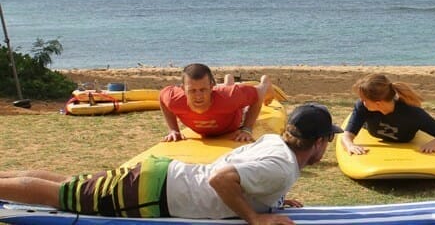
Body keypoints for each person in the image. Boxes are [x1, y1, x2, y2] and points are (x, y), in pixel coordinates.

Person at [0, 103, 343, 224]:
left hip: (164, 176)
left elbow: (233, 164)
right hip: (155, 192)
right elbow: (221, 178)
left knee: (70, 183)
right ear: (319, 142)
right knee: (61, 195)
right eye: (329, 139)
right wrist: (253, 218)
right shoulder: (281, 167)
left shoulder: (273, 144)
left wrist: (271, 200)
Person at [340, 73, 435, 154]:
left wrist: (432, 145)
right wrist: (350, 145)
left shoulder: (412, 113)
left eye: (364, 100)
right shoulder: (362, 107)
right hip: (367, 128)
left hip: (406, 137)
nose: (362, 102)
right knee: (359, 117)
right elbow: (347, 135)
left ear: (378, 103)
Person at [159, 63, 271, 142]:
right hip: (224, 99)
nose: (198, 96)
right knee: (227, 94)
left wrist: (247, 129)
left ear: (212, 86)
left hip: (233, 118)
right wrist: (173, 130)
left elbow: (259, 94)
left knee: (256, 89)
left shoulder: (230, 97)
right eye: (192, 91)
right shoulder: (173, 99)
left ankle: (265, 82)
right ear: (183, 89)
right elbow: (162, 99)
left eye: (203, 90)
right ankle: (228, 82)